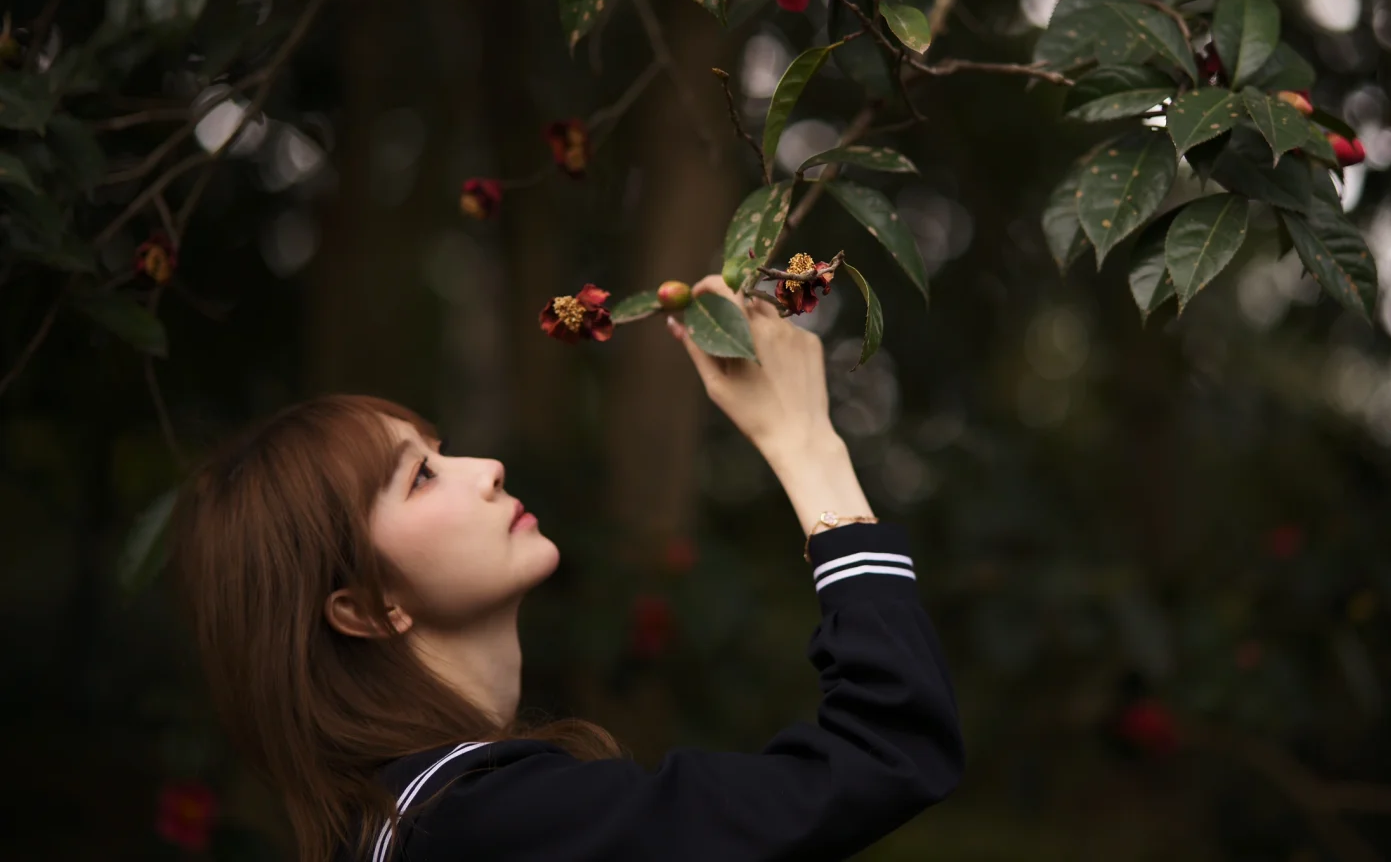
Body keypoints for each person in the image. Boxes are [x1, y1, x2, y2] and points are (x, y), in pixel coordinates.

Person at [169, 273, 964, 862]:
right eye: (418, 476)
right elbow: (888, 754)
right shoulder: (485, 825)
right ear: (363, 611)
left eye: (442, 452)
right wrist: (806, 446)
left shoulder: (401, 826)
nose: (486, 468)